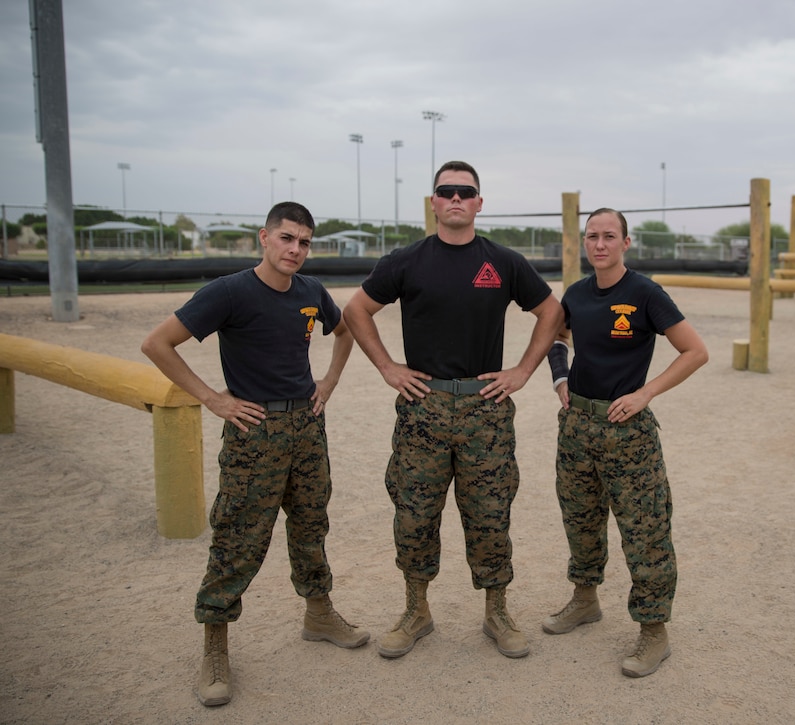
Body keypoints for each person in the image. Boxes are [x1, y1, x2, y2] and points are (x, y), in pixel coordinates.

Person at [141, 202, 368, 707]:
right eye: (287, 238)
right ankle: (216, 647)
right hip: (255, 429)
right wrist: (214, 398)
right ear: (262, 238)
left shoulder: (311, 292)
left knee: (311, 524)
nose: (295, 250)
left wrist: (328, 381)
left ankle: (319, 613)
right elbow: (158, 344)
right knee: (239, 535)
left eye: (305, 242)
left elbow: (345, 330)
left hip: (307, 428)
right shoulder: (230, 291)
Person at [342, 160, 562, 660]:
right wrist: (387, 367)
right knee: (415, 515)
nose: (456, 199)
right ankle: (416, 611)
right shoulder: (407, 261)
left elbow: (551, 310)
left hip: (485, 410)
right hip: (424, 408)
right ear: (434, 202)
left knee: (490, 515)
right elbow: (356, 310)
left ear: (480, 203)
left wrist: (523, 371)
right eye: (447, 192)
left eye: (467, 192)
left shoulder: (503, 262)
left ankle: (497, 612)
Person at [542, 207, 709, 678]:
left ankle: (654, 631)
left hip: (626, 433)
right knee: (581, 518)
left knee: (645, 530)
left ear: (626, 243)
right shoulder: (575, 294)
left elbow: (695, 351)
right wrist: (560, 377)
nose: (600, 244)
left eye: (609, 236)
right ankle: (585, 600)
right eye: (592, 236)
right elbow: (556, 335)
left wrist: (645, 392)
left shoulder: (644, 293)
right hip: (577, 427)